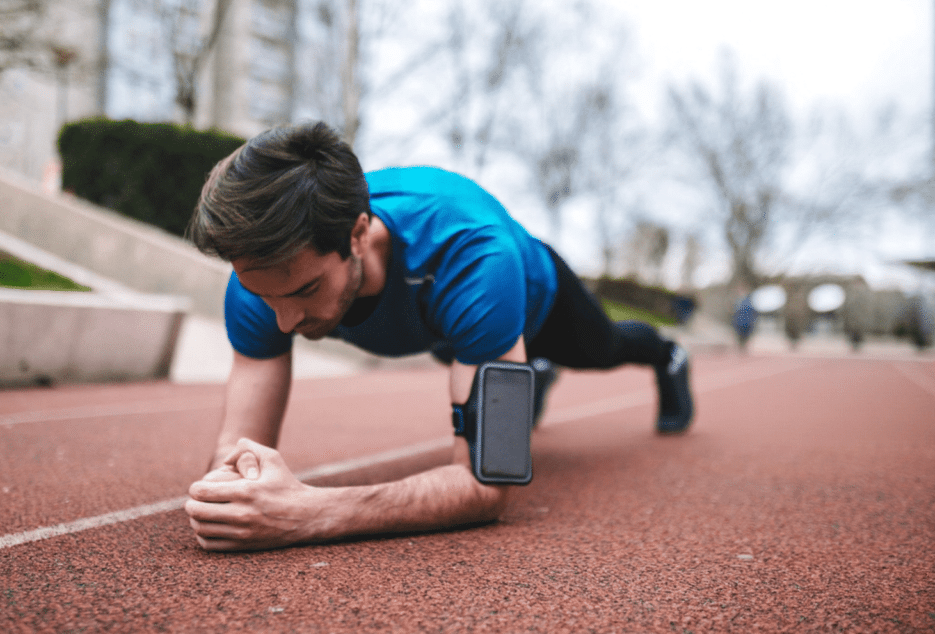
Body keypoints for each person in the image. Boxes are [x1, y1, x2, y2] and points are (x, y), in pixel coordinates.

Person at [183, 121, 694, 552]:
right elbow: (234, 451)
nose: (283, 323)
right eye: (264, 296)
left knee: (601, 350)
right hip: (451, 328)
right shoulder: (264, 275)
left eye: (306, 290)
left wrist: (309, 512)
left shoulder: (474, 258)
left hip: (536, 299)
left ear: (358, 235)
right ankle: (518, 372)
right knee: (466, 353)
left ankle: (665, 355)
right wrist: (233, 492)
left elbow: (487, 481)